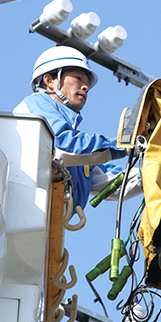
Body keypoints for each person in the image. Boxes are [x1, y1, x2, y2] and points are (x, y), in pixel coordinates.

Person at [15, 46, 135, 209]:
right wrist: (127, 144)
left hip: (44, 224)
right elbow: (62, 144)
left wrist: (154, 170)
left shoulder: (82, 156)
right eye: (78, 78)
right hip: (20, 208)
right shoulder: (36, 104)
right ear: (49, 81)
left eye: (87, 84)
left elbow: (115, 182)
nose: (85, 87)